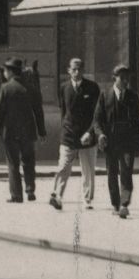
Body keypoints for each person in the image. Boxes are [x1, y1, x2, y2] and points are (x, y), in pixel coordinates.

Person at [91, 64, 139, 218]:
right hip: (111, 142)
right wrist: (100, 135)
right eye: (122, 77)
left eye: (127, 78)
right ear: (114, 78)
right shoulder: (105, 96)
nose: (126, 80)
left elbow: (138, 123)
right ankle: (115, 203)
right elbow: (97, 120)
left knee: (126, 171)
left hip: (127, 142)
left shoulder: (133, 97)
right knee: (112, 173)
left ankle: (124, 204)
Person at [49, 57, 100, 211]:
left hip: (87, 135)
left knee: (88, 170)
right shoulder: (64, 88)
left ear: (83, 70)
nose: (77, 72)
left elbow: (97, 114)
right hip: (69, 134)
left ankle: (87, 199)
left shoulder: (92, 88)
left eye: (80, 69)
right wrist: (65, 129)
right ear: (68, 71)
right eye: (74, 69)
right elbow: (64, 112)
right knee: (63, 166)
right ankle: (57, 196)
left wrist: (90, 132)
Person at [0, 57, 46, 203]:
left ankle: (16, 195)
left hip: (10, 133)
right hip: (28, 132)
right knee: (29, 161)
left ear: (10, 72)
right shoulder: (31, 88)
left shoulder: (5, 88)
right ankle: (30, 189)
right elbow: (38, 111)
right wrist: (42, 131)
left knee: (13, 163)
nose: (4, 73)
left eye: (5, 71)